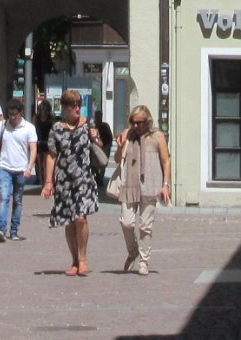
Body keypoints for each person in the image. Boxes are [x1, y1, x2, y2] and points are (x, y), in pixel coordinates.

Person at [40, 88, 102, 275]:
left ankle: (83, 260)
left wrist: (94, 135)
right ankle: (74, 260)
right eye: (73, 105)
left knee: (80, 218)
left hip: (83, 178)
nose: (77, 109)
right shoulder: (57, 129)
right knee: (68, 221)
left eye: (79, 105)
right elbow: (51, 155)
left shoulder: (87, 123)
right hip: (64, 180)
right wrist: (48, 182)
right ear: (65, 108)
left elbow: (99, 144)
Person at [114, 105, 171, 276]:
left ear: (147, 121)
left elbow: (166, 161)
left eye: (140, 123)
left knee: (145, 226)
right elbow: (118, 159)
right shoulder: (128, 134)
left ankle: (144, 261)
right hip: (129, 184)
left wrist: (165, 184)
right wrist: (119, 146)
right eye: (133, 122)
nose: (136, 126)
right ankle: (133, 252)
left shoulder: (157, 136)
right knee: (126, 222)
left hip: (150, 184)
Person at [0, 98, 37, 243]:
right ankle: (1, 229)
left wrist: (29, 167)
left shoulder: (29, 128)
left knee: (17, 200)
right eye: (10, 115)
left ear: (20, 113)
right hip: (4, 167)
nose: (12, 118)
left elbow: (33, 149)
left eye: (14, 115)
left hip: (21, 169)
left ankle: (14, 230)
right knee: (4, 197)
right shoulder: (2, 125)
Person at [31, 93, 55, 185]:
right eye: (41, 109)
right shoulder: (36, 118)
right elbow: (34, 129)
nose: (43, 110)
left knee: (47, 164)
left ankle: (48, 182)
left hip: (48, 143)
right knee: (40, 165)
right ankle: (42, 183)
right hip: (39, 143)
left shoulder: (51, 119)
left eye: (45, 109)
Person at [92, 109, 115, 196]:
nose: (98, 117)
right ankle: (98, 177)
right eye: (97, 116)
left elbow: (109, 136)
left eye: (99, 116)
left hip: (105, 147)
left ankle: (100, 179)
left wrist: (108, 146)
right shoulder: (95, 127)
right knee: (96, 164)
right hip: (98, 147)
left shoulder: (105, 126)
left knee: (103, 163)